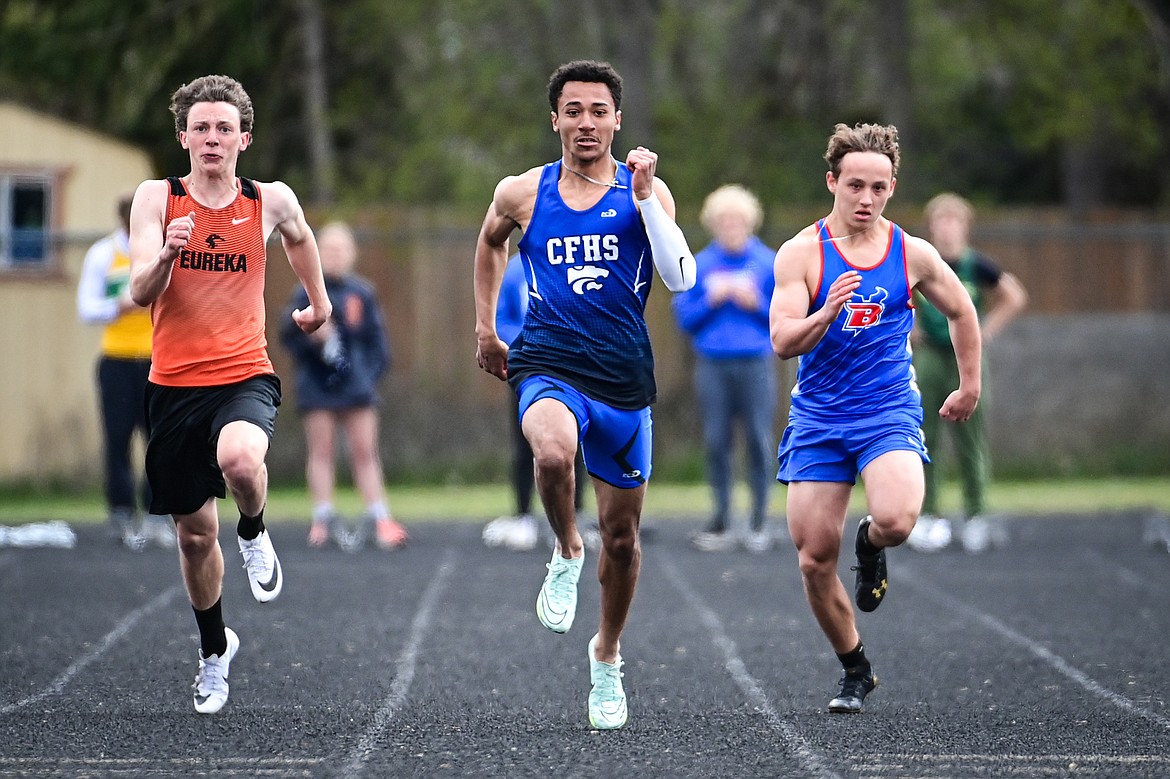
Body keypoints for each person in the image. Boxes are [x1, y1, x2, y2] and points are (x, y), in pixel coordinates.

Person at [473, 60, 696, 730]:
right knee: (549, 454)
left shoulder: (643, 193)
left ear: (617, 119)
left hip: (623, 381)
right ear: (555, 120)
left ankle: (607, 653)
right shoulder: (522, 192)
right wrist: (486, 326)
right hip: (546, 361)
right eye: (573, 110)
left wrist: (650, 195)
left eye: (598, 110)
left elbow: (679, 276)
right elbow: (488, 246)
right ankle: (568, 545)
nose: (586, 123)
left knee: (624, 539)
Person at [128, 74, 332, 715]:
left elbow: (300, 237)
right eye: (201, 127)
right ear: (183, 136)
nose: (212, 138)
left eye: (224, 128)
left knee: (242, 460)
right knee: (192, 537)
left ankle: (254, 530)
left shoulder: (266, 200)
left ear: (243, 138)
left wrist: (319, 303)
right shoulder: (156, 198)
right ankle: (215, 652)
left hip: (244, 373)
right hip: (173, 386)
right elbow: (139, 290)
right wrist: (166, 254)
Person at [769, 122, 981, 714]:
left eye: (879, 187)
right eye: (855, 185)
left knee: (898, 518)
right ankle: (855, 668)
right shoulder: (801, 253)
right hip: (818, 418)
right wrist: (826, 312)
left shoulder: (911, 252)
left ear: (892, 187)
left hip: (887, 410)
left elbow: (963, 311)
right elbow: (783, 341)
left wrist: (970, 385)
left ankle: (870, 541)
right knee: (813, 559)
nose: (866, 199)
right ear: (832, 181)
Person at [907, 193, 1028, 554]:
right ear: (931, 226)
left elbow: (1014, 295)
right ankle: (927, 514)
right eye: (940, 220)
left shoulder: (977, 265)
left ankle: (976, 515)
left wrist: (986, 330)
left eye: (953, 220)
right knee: (923, 436)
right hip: (929, 356)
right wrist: (910, 325)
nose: (946, 227)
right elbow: (898, 293)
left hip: (966, 360)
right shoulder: (923, 262)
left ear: (965, 226)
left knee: (971, 438)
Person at [279, 222, 406, 551]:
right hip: (317, 387)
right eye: (328, 248)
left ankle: (379, 517)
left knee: (365, 452)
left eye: (341, 249)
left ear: (352, 254)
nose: (334, 255)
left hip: (356, 387)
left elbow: (379, 344)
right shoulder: (304, 291)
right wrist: (313, 341)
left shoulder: (362, 293)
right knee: (320, 453)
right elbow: (287, 335)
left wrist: (367, 376)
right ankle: (322, 518)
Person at [673, 184, 778, 553]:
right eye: (724, 221)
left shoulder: (769, 263)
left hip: (756, 364)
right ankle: (720, 519)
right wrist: (711, 300)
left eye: (738, 220)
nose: (731, 227)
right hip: (713, 364)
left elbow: (787, 318)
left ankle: (760, 521)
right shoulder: (698, 265)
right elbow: (685, 318)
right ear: (713, 225)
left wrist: (756, 302)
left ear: (750, 223)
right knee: (717, 441)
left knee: (759, 440)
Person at [76, 195, 175, 550]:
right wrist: (118, 305)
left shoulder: (163, 252)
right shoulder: (104, 255)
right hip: (116, 360)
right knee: (117, 438)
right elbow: (86, 308)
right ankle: (120, 512)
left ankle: (157, 515)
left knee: (159, 440)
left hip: (157, 360)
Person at [481, 252, 588, 552]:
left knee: (573, 443)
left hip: (571, 369)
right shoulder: (514, 270)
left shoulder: (573, 262)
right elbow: (501, 319)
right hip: (528, 369)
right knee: (524, 443)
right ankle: (523, 514)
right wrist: (534, 345)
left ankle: (575, 514)